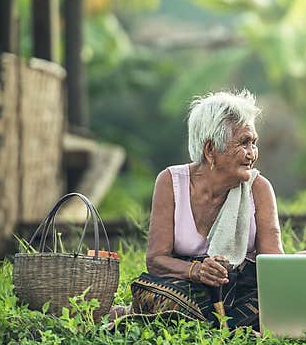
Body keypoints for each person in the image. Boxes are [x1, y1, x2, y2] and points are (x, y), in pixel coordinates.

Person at [118, 89, 284, 332]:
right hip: (187, 289)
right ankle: (224, 326)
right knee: (156, 295)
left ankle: (213, 325)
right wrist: (196, 270)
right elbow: (156, 260)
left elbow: (274, 267)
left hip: (240, 291)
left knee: (272, 306)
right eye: (244, 143)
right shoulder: (170, 182)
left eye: (254, 143)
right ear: (210, 150)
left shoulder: (259, 188)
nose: (252, 154)